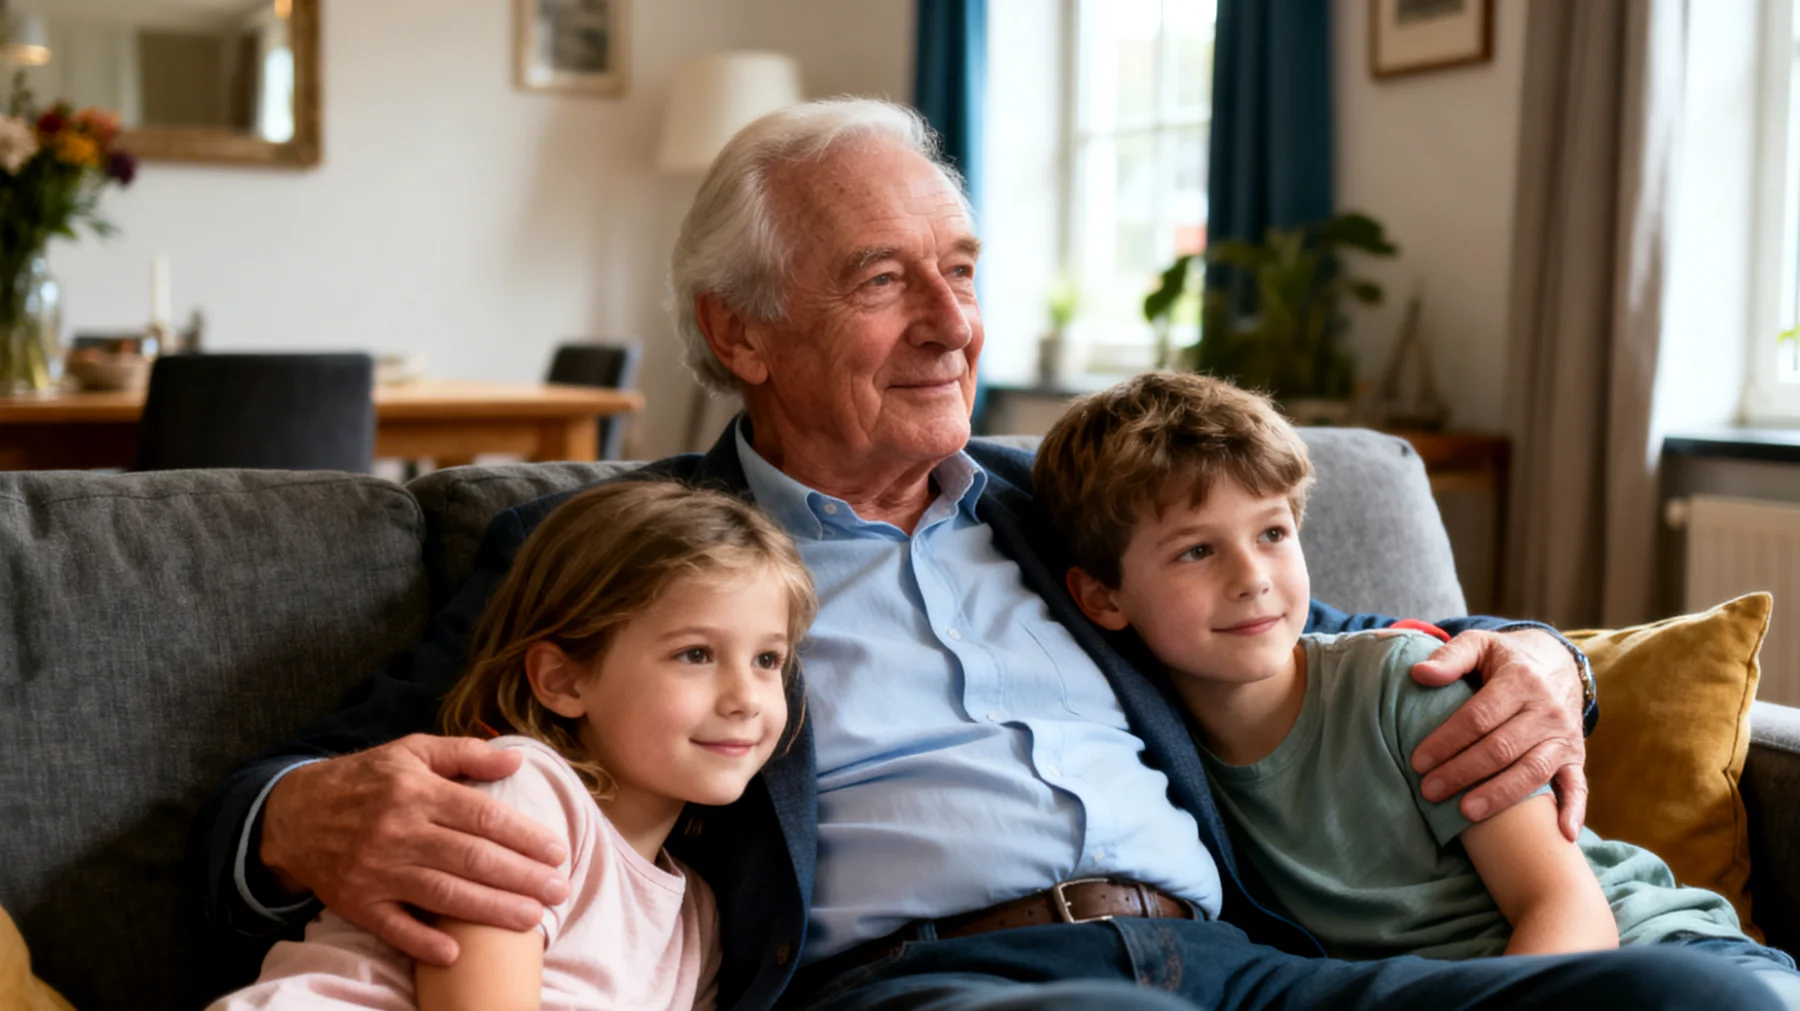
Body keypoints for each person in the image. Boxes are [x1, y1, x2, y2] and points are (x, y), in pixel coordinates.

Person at [191, 98, 1771, 1011]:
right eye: (885, 280)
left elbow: (1330, 624)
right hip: (940, 988)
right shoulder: (627, 547)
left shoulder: (1065, 504)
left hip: (1237, 964)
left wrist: (1546, 659)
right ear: (741, 331)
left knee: (1710, 996)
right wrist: (294, 816)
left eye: (962, 268)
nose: (955, 324)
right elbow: (312, 775)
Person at [1033, 371, 1800, 1006]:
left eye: (1272, 532)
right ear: (1102, 596)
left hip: (1657, 959)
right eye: (1197, 550)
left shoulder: (1404, 681)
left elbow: (1566, 908)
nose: (1253, 579)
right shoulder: (1147, 761)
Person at [206, 481, 818, 1010]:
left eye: (768, 659)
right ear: (563, 680)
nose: (747, 697)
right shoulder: (523, 791)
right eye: (696, 654)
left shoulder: (697, 917)